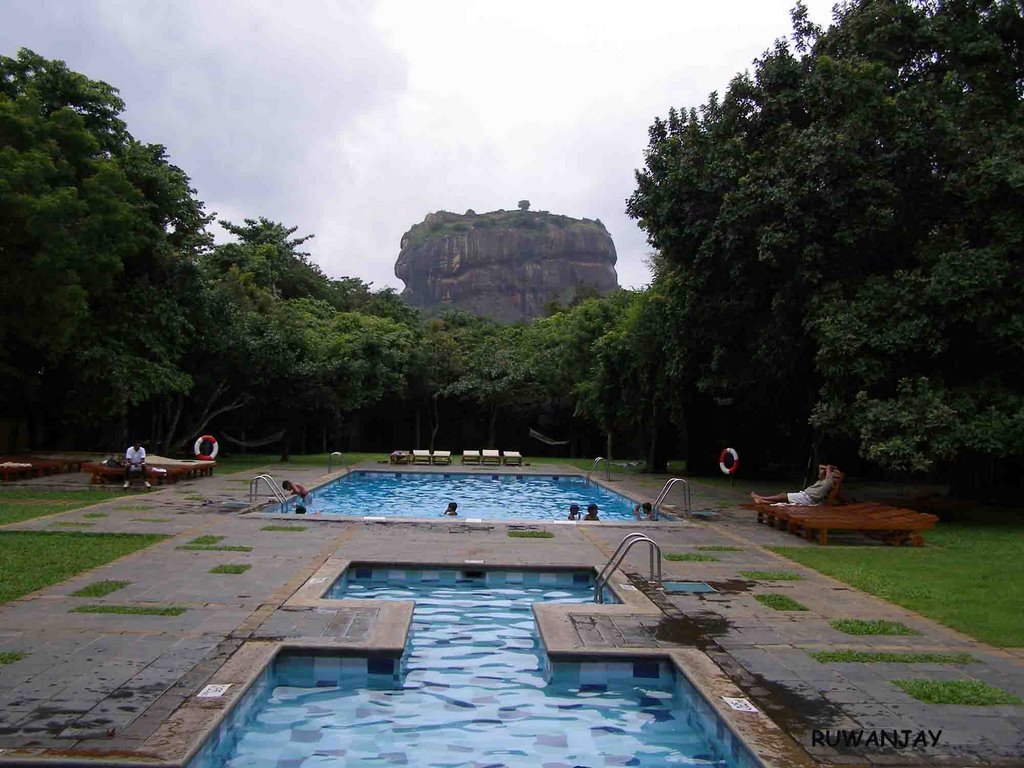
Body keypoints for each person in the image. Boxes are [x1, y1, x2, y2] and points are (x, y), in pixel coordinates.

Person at [751, 465, 839, 506]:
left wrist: (828, 468)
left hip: (807, 498)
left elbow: (827, 473)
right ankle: (762, 501)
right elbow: (820, 467)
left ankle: (761, 498)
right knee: (784, 500)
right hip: (804, 496)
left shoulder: (828, 483)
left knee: (783, 496)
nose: (819, 475)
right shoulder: (822, 481)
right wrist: (827, 468)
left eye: (821, 474)